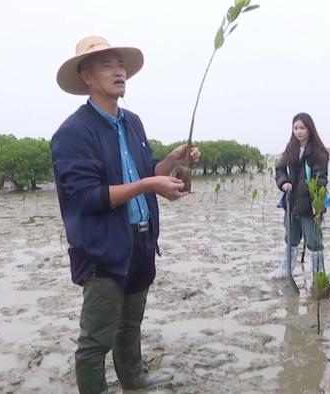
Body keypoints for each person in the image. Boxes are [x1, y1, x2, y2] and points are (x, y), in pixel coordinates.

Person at [51, 36, 200, 393]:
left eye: (120, 65)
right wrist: (149, 184)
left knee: (130, 323)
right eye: (107, 65)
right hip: (103, 247)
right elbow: (88, 197)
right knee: (95, 339)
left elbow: (143, 169)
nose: (119, 72)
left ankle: (134, 379)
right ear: (85, 77)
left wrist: (171, 161)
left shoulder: (132, 122)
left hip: (142, 238)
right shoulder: (72, 133)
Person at [269, 113, 329, 290]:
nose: (299, 131)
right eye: (296, 128)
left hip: (310, 205)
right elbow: (280, 169)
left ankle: (318, 276)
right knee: (291, 237)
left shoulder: (318, 152)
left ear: (310, 129)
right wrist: (283, 182)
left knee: (314, 241)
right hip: (291, 202)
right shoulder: (290, 149)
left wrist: (316, 205)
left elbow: (321, 179)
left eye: (302, 128)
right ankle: (286, 269)